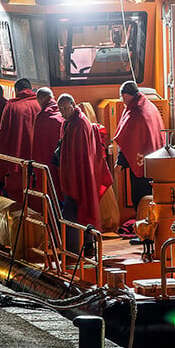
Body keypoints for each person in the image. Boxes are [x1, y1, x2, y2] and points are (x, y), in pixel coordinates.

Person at [57, 94, 107, 253]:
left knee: (75, 212)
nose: (63, 113)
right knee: (82, 210)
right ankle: (86, 245)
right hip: (81, 175)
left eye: (65, 108)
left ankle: (74, 250)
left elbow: (77, 156)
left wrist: (72, 179)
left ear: (73, 104)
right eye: (61, 110)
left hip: (78, 177)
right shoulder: (75, 121)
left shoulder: (77, 125)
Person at [0, 78, 41, 203]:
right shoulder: (40, 103)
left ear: (16, 90)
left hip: (18, 161)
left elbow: (3, 135)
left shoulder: (12, 106)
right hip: (39, 162)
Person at [113, 81, 164, 209]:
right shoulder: (148, 105)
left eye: (123, 98)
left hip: (143, 165)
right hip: (155, 161)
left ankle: (142, 225)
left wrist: (120, 163)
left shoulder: (135, 113)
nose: (123, 102)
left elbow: (127, 139)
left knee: (140, 198)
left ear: (127, 95)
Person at [31, 87, 64, 208]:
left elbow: (38, 147)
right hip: (64, 164)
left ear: (41, 99)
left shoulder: (42, 117)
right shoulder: (63, 112)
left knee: (52, 193)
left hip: (48, 164)